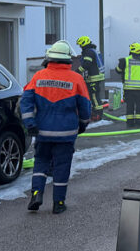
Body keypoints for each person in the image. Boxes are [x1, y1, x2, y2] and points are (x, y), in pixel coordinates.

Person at [21, 41, 92, 214]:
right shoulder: (76, 78)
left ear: (49, 58)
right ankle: (58, 203)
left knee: (41, 162)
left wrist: (30, 124)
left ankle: (36, 194)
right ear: (68, 59)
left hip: (42, 132)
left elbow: (26, 101)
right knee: (62, 167)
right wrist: (83, 124)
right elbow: (85, 106)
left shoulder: (38, 76)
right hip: (66, 133)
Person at [115, 43, 140, 127]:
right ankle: (139, 122)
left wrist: (121, 64)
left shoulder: (125, 60)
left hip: (129, 88)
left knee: (130, 105)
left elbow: (118, 70)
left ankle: (130, 123)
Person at [75, 36, 105, 121]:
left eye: (80, 45)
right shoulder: (92, 50)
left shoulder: (88, 52)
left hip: (93, 77)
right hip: (95, 76)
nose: (80, 47)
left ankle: (98, 114)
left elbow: (87, 64)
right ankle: (95, 113)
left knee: (94, 96)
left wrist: (77, 71)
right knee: (92, 96)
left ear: (83, 44)